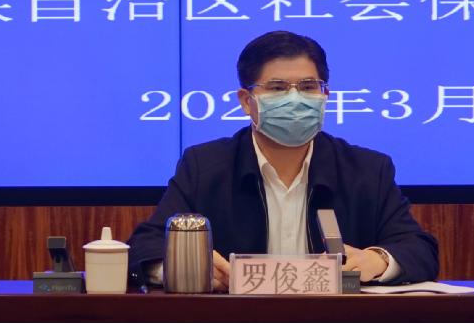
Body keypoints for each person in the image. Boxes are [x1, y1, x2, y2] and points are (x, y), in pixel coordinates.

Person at [128, 31, 438, 290]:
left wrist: (379, 260)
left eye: (308, 87)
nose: (295, 99)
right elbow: (145, 248)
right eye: (277, 88)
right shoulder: (205, 166)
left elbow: (418, 249)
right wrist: (188, 269)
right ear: (246, 101)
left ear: (325, 95)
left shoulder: (367, 169)